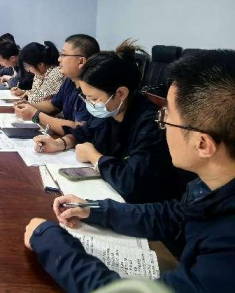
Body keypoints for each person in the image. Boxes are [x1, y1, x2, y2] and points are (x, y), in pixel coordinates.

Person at [24, 49, 235, 292]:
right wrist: (92, 209)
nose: (162, 125)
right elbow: (172, 215)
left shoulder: (227, 247)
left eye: (166, 117)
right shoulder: (208, 188)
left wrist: (52, 244)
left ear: (203, 144)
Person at [34, 40, 191, 203]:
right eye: (86, 97)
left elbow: (132, 183)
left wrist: (95, 157)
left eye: (95, 98)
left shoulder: (150, 123)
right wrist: (60, 143)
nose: (91, 104)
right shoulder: (110, 110)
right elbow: (85, 132)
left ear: (121, 93)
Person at [15, 34, 100, 136]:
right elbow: (53, 105)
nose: (59, 59)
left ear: (81, 61)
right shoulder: (70, 81)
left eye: (63, 55)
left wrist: (35, 114)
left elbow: (78, 129)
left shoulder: (92, 90)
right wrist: (29, 105)